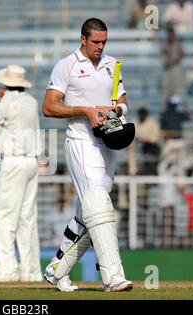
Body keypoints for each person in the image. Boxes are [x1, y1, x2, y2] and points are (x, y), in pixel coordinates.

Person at [41, 18, 133, 292]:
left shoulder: (112, 64)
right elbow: (48, 107)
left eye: (104, 41)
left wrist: (115, 111)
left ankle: (57, 269)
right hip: (80, 142)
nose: (100, 46)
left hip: (107, 143)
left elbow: (123, 102)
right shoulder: (66, 65)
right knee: (99, 207)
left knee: (89, 214)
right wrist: (84, 110)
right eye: (96, 42)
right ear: (83, 39)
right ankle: (113, 277)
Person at [0, 64, 42, 282]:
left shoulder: (6, 101)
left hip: (14, 163)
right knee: (27, 218)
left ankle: (7, 269)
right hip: (32, 163)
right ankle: (31, 271)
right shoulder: (31, 101)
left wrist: (1, 105)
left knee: (2, 218)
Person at [129, 107, 160, 175]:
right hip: (135, 150)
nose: (142, 116)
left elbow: (155, 139)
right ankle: (133, 173)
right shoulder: (134, 122)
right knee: (133, 167)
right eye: (141, 114)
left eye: (144, 115)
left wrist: (145, 140)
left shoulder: (152, 122)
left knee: (149, 168)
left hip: (149, 149)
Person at [161, 26, 185, 103]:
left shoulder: (178, 43)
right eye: (169, 33)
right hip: (167, 68)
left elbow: (182, 54)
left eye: (171, 33)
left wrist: (174, 61)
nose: (170, 35)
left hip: (176, 67)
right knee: (166, 87)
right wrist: (166, 61)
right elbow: (161, 54)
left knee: (177, 87)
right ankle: (165, 106)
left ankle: (178, 106)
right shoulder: (165, 43)